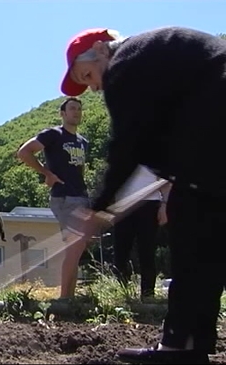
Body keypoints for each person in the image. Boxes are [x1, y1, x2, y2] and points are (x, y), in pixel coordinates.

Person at [61, 27, 226, 364]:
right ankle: (189, 343)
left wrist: (100, 207)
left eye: (88, 75)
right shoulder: (154, 60)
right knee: (207, 236)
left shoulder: (125, 64)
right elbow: (154, 141)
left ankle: (181, 346)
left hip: (214, 129)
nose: (94, 87)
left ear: (100, 49)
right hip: (213, 134)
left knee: (192, 225)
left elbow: (127, 145)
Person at [16, 98, 90, 298]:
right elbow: (24, 152)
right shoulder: (54, 135)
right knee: (74, 246)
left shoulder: (83, 142)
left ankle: (69, 297)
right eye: (72, 108)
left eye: (79, 109)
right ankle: (65, 298)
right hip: (64, 198)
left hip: (81, 198)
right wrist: (46, 173)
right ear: (63, 113)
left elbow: (79, 170)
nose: (76, 112)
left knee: (77, 249)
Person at [111, 165, 169, 300]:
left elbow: (165, 180)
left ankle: (148, 294)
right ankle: (121, 294)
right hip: (123, 204)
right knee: (121, 251)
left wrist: (165, 205)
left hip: (149, 204)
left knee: (146, 251)